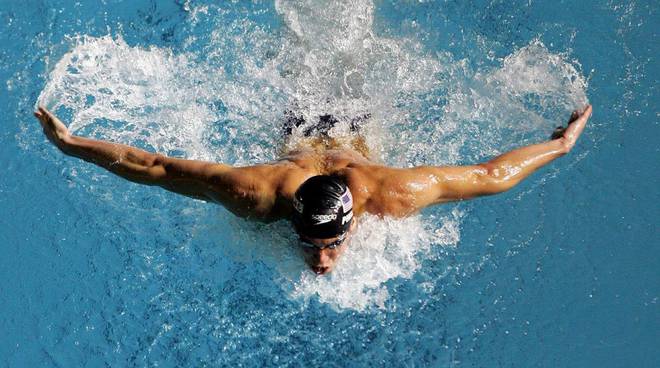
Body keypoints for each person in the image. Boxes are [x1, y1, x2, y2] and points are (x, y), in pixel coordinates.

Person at [34, 104, 592, 275]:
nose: (321, 263)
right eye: (310, 245)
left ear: (354, 220)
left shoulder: (393, 195)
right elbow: (153, 165)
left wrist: (560, 146)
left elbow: (493, 176)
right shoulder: (256, 194)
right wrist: (70, 142)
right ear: (291, 218)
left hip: (356, 124)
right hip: (296, 124)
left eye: (328, 245)